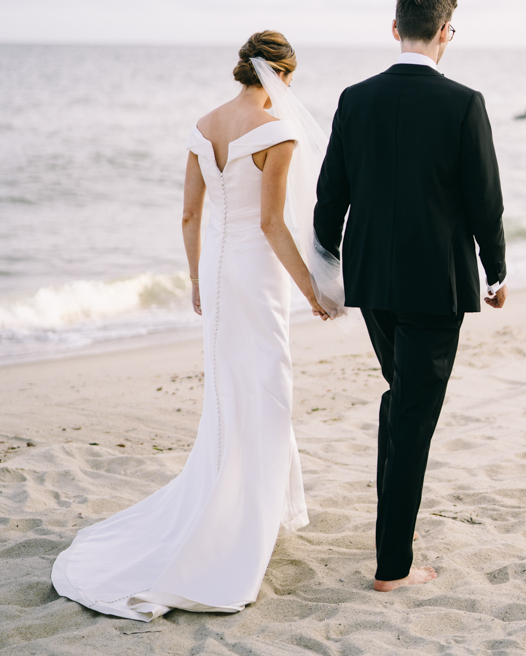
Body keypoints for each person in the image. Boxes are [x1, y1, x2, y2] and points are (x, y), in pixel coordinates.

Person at [51, 32, 332, 620]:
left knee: (228, 393)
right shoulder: (278, 131)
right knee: (269, 390)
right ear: (283, 75)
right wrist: (312, 291)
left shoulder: (204, 125)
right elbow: (274, 224)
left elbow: (188, 214)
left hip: (220, 273)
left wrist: (197, 281)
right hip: (260, 275)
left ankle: (236, 502)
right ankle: (243, 524)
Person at [314, 0, 507, 592]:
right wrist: (496, 269)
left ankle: (392, 539)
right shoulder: (464, 103)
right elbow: (484, 200)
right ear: (445, 32)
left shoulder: (355, 99)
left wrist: (330, 267)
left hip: (373, 283)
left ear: (395, 28)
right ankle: (393, 567)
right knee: (415, 416)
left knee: (402, 398)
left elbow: (329, 198)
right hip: (435, 286)